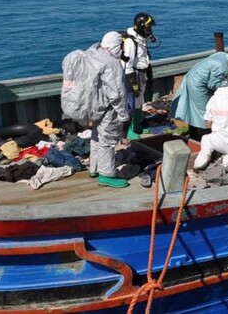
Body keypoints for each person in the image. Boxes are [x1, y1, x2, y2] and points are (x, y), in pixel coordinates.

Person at [61, 31, 130, 188]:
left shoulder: (93, 54)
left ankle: (95, 168)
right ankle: (107, 175)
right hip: (108, 109)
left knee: (96, 137)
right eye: (122, 46)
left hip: (91, 107)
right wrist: (123, 115)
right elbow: (117, 94)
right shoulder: (112, 63)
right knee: (107, 141)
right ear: (116, 45)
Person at [171, 52, 228, 140]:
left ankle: (193, 136)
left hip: (192, 78)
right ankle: (203, 138)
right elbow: (213, 84)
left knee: (193, 112)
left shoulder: (223, 55)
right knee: (203, 113)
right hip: (198, 86)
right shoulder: (222, 67)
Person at [123, 12, 157, 139]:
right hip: (134, 75)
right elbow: (127, 65)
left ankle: (137, 125)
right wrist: (134, 85)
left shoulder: (141, 40)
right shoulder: (131, 42)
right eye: (148, 28)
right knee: (132, 102)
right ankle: (130, 129)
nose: (150, 31)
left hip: (142, 74)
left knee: (139, 101)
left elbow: (144, 59)